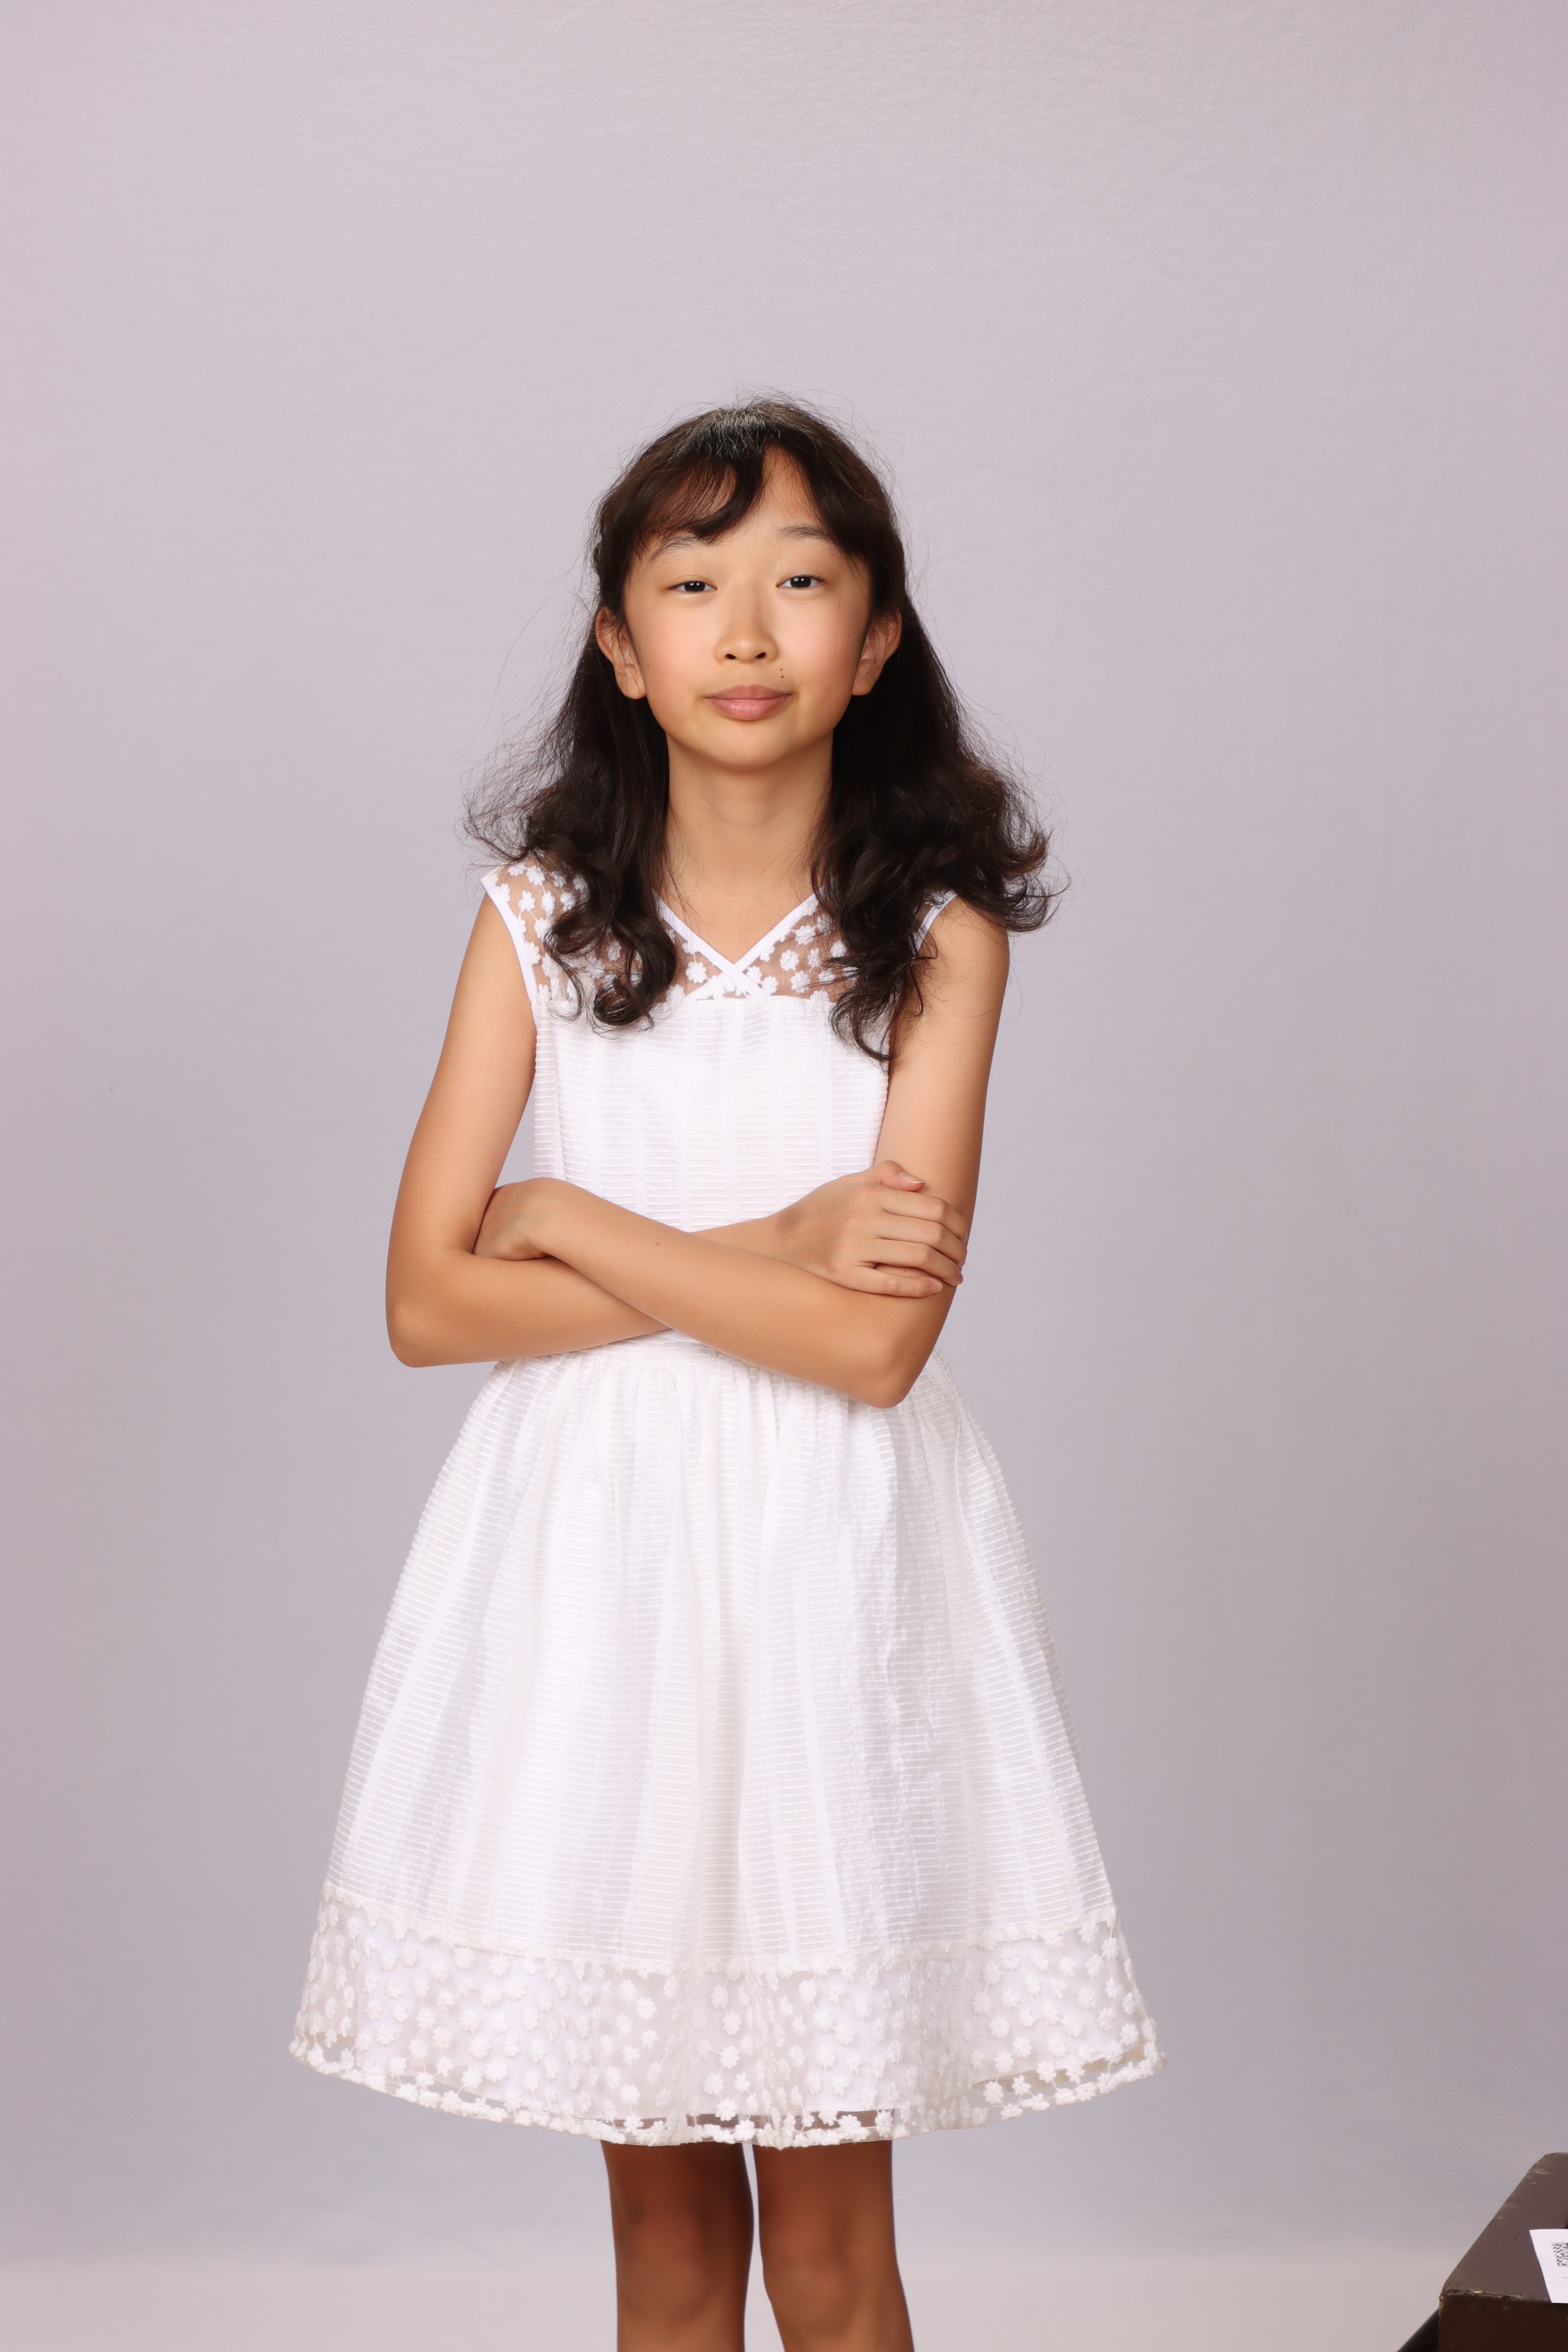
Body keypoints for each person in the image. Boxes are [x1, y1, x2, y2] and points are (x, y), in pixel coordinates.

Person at [293, 398, 1161, 2350]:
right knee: (669, 2244)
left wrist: (570, 1222)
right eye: (691, 586)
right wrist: (761, 1244)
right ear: (621, 645)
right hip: (599, 1572)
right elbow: (426, 1303)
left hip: (835, 1565)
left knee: (829, 2249)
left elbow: (873, 1344)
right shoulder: (540, 924)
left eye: (799, 583)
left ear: (875, 639)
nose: (746, 632)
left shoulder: (932, 941)